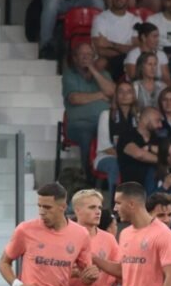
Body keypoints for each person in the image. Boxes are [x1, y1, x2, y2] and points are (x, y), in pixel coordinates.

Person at [64, 41, 114, 181]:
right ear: (75, 58)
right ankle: (88, 177)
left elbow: (111, 92)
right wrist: (100, 95)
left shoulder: (103, 74)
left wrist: (93, 70)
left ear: (94, 57)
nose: (86, 57)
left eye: (89, 54)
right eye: (82, 54)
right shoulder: (70, 75)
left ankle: (110, 175)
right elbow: (75, 98)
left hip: (105, 124)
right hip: (80, 124)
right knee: (86, 134)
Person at [38, 0, 104, 59]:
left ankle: (100, 45)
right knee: (51, 2)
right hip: (60, 0)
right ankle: (45, 45)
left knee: (98, 2)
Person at [91, 0, 140, 79]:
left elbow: (137, 49)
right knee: (102, 62)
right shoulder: (100, 19)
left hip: (129, 62)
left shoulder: (135, 20)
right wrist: (126, 51)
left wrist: (111, 44)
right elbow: (101, 51)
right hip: (110, 63)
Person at [95, 80, 137, 193]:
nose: (124, 95)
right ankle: (115, 200)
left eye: (129, 92)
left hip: (133, 156)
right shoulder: (106, 115)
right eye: (121, 91)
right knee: (115, 164)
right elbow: (105, 147)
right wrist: (127, 157)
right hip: (107, 156)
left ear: (133, 96)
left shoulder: (138, 117)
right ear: (116, 95)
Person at [117, 106, 163, 188]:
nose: (160, 125)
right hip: (132, 188)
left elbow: (168, 151)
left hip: (156, 188)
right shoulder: (127, 136)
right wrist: (164, 160)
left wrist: (150, 148)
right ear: (145, 120)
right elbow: (139, 155)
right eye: (157, 120)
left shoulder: (157, 138)